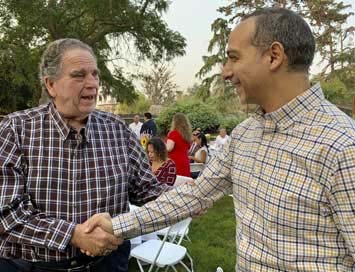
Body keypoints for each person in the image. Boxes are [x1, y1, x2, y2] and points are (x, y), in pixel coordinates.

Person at [84, 7, 355, 271]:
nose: (226, 72)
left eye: (234, 58)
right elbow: (195, 195)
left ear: (274, 56)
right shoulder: (245, 135)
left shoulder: (342, 146)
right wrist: (117, 225)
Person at [0, 38, 169, 272]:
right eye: (79, 75)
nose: (92, 84)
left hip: (107, 264)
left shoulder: (117, 129)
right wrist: (75, 235)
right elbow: (7, 212)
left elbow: (146, 190)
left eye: (95, 74)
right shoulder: (15, 129)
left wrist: (192, 195)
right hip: (33, 266)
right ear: (51, 85)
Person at [166, 112, 192, 177]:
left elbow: (168, 148)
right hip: (185, 162)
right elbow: (188, 149)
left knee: (175, 184)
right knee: (184, 183)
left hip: (175, 163)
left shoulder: (174, 134)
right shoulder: (186, 136)